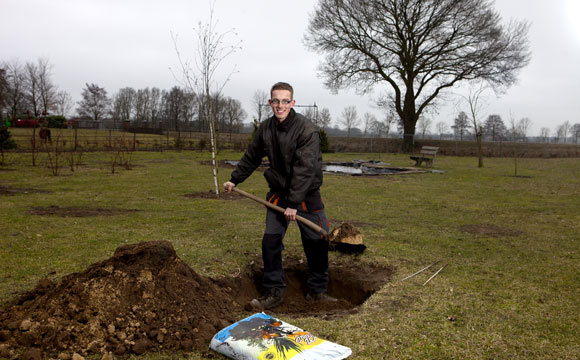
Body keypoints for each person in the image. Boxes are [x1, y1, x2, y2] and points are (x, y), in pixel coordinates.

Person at [223, 82, 336, 310]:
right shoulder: (266, 129)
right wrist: (235, 179)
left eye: (285, 101)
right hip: (278, 196)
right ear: (270, 102)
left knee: (317, 243)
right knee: (270, 242)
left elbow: (305, 170)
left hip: (306, 196)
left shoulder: (307, 130)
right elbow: (251, 157)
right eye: (276, 100)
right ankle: (274, 291)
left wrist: (294, 203)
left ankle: (317, 291)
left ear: (292, 103)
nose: (280, 105)